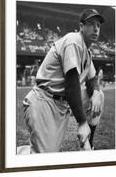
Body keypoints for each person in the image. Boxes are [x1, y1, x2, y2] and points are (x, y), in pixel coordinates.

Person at [23, 9, 105, 153]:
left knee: (99, 97)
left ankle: (88, 147)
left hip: (62, 104)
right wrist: (82, 123)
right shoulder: (74, 40)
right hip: (44, 102)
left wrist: (97, 92)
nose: (96, 29)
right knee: (44, 158)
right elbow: (72, 85)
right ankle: (18, 153)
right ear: (81, 26)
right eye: (91, 24)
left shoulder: (87, 52)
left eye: (98, 25)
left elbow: (92, 80)